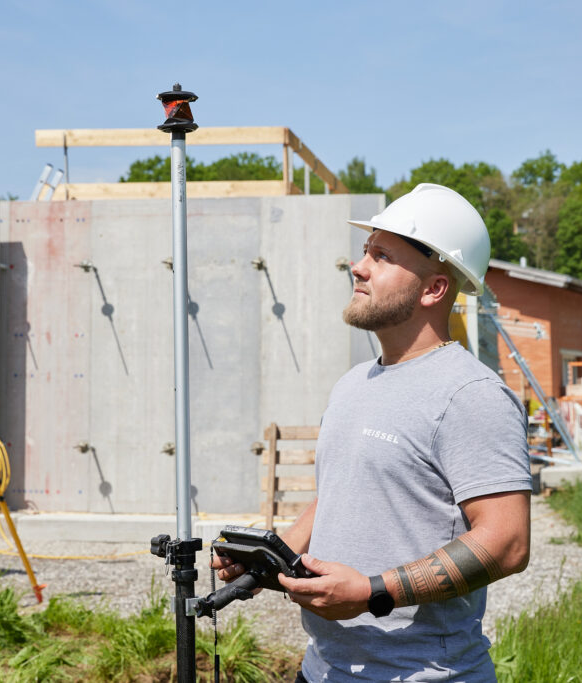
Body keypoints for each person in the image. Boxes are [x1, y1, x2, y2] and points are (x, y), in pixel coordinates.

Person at [214, 183, 532, 682]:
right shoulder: (354, 384)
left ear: (433, 289)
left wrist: (373, 591)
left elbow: (508, 541)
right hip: (323, 669)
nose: (358, 267)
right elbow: (340, 496)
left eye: (381, 257)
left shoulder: (470, 394)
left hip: (422, 674)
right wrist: (267, 564)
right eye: (365, 252)